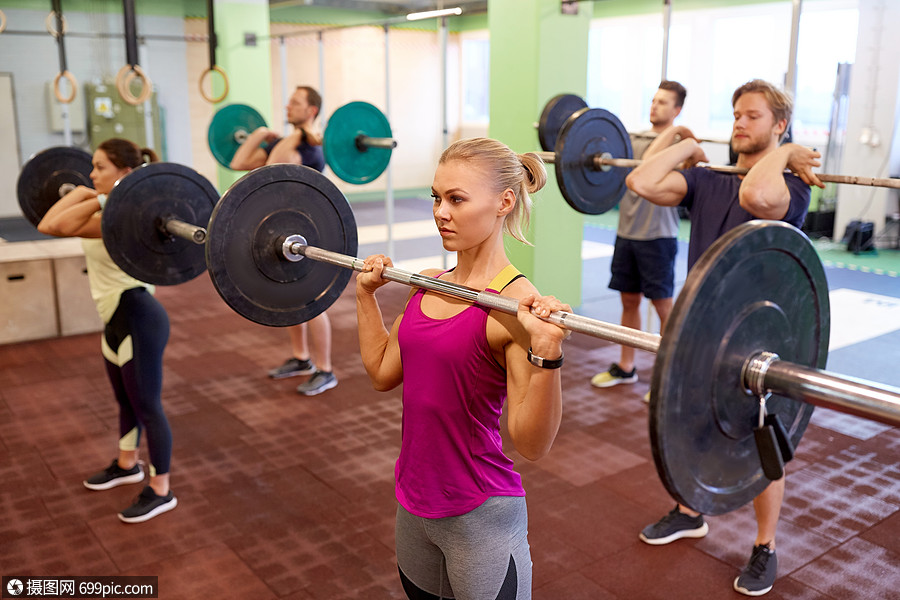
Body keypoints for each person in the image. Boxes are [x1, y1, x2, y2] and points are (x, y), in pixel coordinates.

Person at [626, 79, 823, 596]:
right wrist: (684, 147)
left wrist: (782, 155)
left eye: (753, 116)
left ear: (779, 125)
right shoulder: (709, 179)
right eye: (736, 114)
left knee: (762, 439)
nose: (739, 122)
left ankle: (765, 546)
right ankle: (690, 512)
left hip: (762, 336)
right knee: (691, 421)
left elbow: (757, 195)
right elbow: (642, 183)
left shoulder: (791, 186)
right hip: (705, 326)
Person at [356, 138, 570, 599]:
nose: (441, 212)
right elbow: (380, 372)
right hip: (413, 507)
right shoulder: (426, 285)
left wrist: (547, 350)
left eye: (456, 199)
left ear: (503, 203)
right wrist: (365, 297)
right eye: (436, 197)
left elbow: (531, 443)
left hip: (480, 515)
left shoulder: (515, 307)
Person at [37, 138, 178, 523]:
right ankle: (126, 463)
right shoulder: (108, 208)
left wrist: (94, 196)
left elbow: (51, 223)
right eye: (92, 167)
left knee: (148, 404)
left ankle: (161, 488)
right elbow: (50, 219)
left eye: (99, 167)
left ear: (125, 174)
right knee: (125, 399)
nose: (91, 174)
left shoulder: (120, 219)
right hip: (116, 317)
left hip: (138, 315)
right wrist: (98, 193)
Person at [230, 85, 337, 396]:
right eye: (288, 101)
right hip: (279, 228)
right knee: (291, 294)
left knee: (314, 299)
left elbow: (307, 154)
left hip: (310, 227)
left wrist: (298, 135)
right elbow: (239, 164)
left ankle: (326, 369)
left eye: (296, 102)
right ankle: (302, 359)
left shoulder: (310, 145)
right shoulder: (280, 143)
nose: (288, 106)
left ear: (312, 110)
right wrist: (260, 132)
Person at [590, 80, 686, 398]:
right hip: (627, 232)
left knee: (663, 306)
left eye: (663, 102)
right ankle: (627, 366)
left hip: (658, 236)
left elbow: (649, 167)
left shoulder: (679, 147)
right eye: (653, 100)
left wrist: (673, 133)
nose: (654, 106)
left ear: (677, 110)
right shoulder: (629, 139)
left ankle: (668, 375)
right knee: (629, 301)